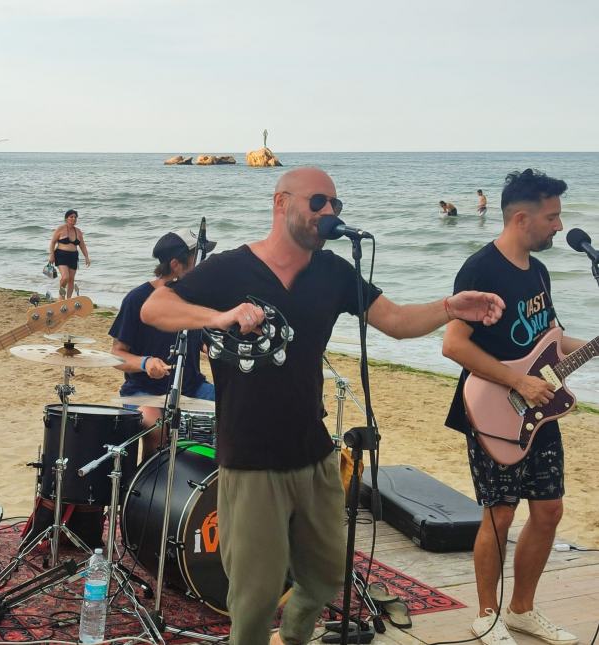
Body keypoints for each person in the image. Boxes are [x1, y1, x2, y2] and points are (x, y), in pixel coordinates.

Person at [140, 167, 504, 645]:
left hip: (314, 454)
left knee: (327, 576)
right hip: (250, 458)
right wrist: (220, 315)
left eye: (336, 205)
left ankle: (290, 638)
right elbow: (155, 308)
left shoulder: (333, 272)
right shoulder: (230, 268)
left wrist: (451, 308)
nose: (329, 213)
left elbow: (394, 319)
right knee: (255, 595)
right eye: (318, 203)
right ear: (280, 203)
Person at [443, 169, 583, 645]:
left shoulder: (539, 271)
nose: (559, 227)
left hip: (539, 410)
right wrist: (516, 380)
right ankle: (487, 614)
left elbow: (555, 341)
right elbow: (453, 345)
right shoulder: (481, 269)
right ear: (521, 218)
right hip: (491, 410)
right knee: (498, 513)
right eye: (552, 217)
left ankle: (521, 609)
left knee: (549, 511)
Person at [109, 228, 217, 457]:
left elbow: (200, 340)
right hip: (143, 391)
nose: (203, 264)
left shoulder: (196, 297)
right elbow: (117, 355)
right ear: (177, 264)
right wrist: (145, 363)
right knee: (157, 429)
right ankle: (151, 487)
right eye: (199, 258)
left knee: (237, 414)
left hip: (193, 387)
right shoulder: (137, 299)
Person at [48, 209, 90, 299]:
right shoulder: (60, 229)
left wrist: (86, 257)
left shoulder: (78, 231)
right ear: (66, 218)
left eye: (75, 217)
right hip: (61, 255)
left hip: (73, 256)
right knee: (65, 277)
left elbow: (82, 245)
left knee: (71, 279)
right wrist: (51, 255)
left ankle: (69, 299)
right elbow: (52, 242)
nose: (73, 219)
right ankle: (61, 296)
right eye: (71, 217)